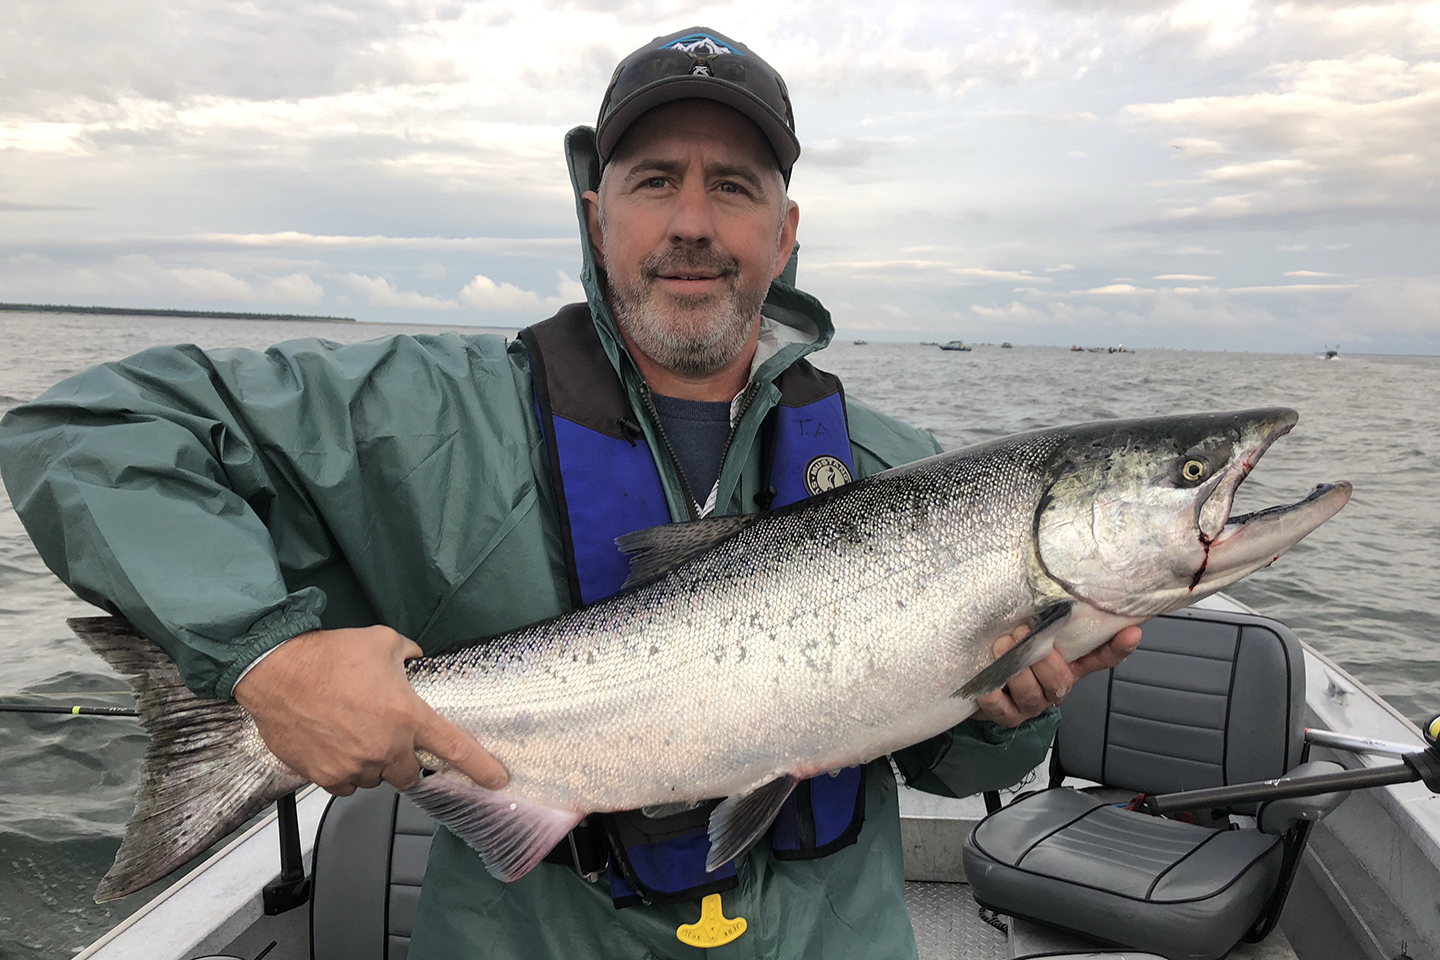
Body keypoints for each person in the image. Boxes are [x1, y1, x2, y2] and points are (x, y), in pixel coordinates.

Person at [0, 28, 1139, 960]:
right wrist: (265, 657)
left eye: (733, 187)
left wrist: (1012, 711)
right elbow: (89, 430)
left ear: (784, 234)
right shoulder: (428, 416)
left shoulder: (896, 467)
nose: (691, 222)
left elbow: (960, 762)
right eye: (655, 181)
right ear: (597, 213)